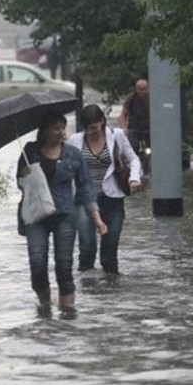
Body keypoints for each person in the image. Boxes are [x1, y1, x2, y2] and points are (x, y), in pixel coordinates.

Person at [17, 112, 107, 317]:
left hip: (65, 214)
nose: (61, 132)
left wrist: (96, 219)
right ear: (46, 130)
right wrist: (24, 176)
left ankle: (67, 319)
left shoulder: (73, 154)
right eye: (56, 128)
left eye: (62, 127)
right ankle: (45, 307)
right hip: (36, 216)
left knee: (64, 266)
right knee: (37, 263)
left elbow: (85, 188)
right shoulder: (29, 151)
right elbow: (20, 185)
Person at [67, 104, 142, 275]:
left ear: (102, 121)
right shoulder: (75, 140)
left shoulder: (117, 136)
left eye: (93, 127)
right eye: (87, 128)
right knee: (86, 246)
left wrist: (134, 179)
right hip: (83, 200)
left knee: (110, 248)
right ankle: (87, 289)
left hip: (112, 199)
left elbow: (133, 159)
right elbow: (67, 169)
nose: (91, 132)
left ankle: (110, 292)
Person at [119, 79, 150, 153]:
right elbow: (123, 114)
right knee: (132, 148)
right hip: (134, 130)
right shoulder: (131, 98)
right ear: (136, 89)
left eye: (144, 89)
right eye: (140, 89)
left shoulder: (153, 98)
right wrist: (124, 128)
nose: (142, 92)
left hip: (149, 130)